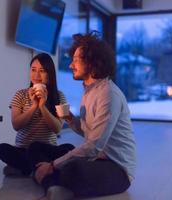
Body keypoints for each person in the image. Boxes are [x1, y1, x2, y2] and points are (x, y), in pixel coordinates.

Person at [28, 32, 136, 200]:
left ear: (93, 63)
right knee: (37, 147)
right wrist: (70, 119)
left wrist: (52, 165)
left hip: (116, 169)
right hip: (94, 159)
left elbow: (93, 145)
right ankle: (55, 185)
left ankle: (47, 179)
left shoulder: (108, 93)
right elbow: (88, 131)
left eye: (76, 60)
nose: (71, 65)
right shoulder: (89, 90)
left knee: (72, 168)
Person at [0, 53, 74, 176]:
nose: (36, 75)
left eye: (42, 71)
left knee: (69, 148)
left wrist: (42, 106)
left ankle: (25, 169)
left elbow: (58, 129)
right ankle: (42, 167)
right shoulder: (20, 95)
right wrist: (34, 106)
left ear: (50, 74)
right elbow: (16, 125)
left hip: (47, 149)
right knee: (1, 149)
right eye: (33, 70)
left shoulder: (59, 96)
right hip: (24, 149)